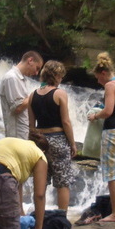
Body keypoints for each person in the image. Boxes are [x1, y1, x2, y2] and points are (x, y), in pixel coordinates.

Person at [86, 52, 115, 222]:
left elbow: (108, 111)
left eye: (98, 77)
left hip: (113, 133)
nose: (98, 81)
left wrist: (95, 116)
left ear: (104, 73)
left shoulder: (110, 86)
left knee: (112, 174)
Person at [28, 60, 77, 211]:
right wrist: (72, 144)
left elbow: (31, 125)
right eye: (61, 76)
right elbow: (66, 122)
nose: (61, 80)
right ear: (55, 76)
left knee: (40, 183)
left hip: (39, 142)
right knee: (62, 183)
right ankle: (61, 219)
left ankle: (39, 219)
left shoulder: (32, 95)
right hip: (58, 140)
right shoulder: (60, 93)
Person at [0, 51, 44, 139]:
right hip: (16, 135)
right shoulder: (11, 78)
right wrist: (36, 94)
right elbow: (17, 108)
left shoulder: (19, 79)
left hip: (21, 134)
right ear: (30, 60)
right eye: (37, 68)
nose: (36, 73)